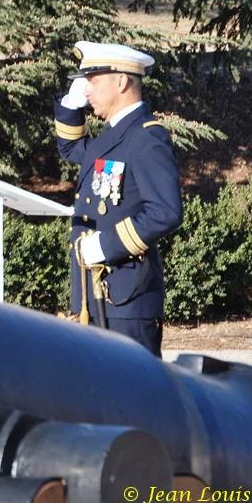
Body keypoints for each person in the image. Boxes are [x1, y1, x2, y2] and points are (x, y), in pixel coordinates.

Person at [54, 41, 183, 357]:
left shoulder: (146, 136)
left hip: (127, 296)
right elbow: (72, 150)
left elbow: (165, 212)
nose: (87, 91)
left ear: (122, 81)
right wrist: (71, 104)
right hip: (96, 294)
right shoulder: (114, 135)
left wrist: (104, 245)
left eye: (94, 81)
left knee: (137, 399)